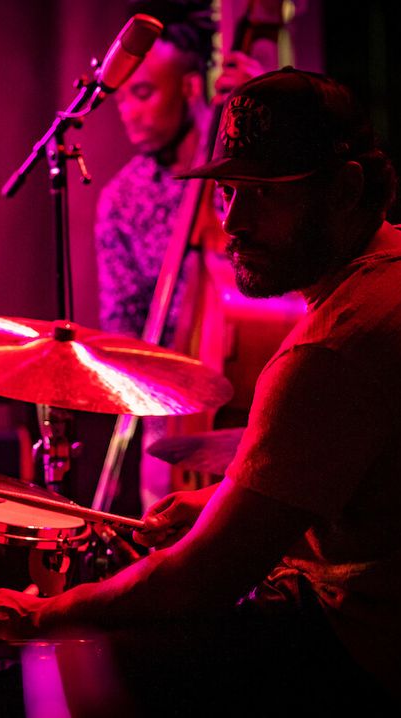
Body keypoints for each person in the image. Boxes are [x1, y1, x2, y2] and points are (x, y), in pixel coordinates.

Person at [0, 68, 401, 712]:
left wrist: (43, 616)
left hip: (400, 664)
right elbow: (385, 489)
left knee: (80, 668)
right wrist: (222, 507)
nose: (234, 220)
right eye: (229, 190)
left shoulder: (334, 348)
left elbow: (197, 583)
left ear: (347, 189)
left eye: (265, 195)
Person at [91, 0, 284, 512]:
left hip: (253, 401)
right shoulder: (121, 197)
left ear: (191, 87)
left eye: (144, 93)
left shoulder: (241, 171)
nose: (127, 110)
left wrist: (265, 124)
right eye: (122, 98)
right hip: (167, 410)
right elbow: (122, 326)